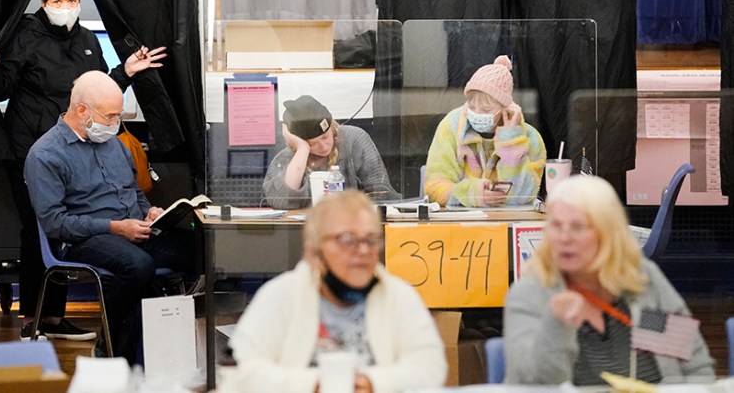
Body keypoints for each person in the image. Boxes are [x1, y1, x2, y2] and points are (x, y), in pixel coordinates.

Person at [0, 0, 166, 341]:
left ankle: (71, 319)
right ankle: (40, 317)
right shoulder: (24, 34)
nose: (65, 5)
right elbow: (2, 88)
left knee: (78, 219)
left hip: (82, 145)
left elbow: (99, 91)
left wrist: (125, 71)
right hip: (33, 147)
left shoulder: (88, 40)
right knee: (40, 228)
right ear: (44, 1)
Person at [24, 71, 195, 364]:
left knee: (201, 248)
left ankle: (173, 339)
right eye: (111, 116)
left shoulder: (114, 144)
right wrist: (115, 228)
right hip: (84, 238)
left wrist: (149, 212)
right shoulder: (45, 155)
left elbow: (135, 194)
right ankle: (113, 343)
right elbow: (55, 223)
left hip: (132, 230)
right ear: (82, 111)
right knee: (139, 266)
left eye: (118, 116)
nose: (116, 123)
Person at [503, 175, 714, 385]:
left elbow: (694, 367)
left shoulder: (640, 284)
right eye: (556, 226)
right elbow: (530, 384)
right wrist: (557, 324)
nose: (564, 238)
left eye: (577, 227)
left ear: (608, 233)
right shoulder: (533, 292)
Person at [229, 190, 447, 393]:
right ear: (314, 251)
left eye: (371, 240)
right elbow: (239, 371)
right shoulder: (280, 295)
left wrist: (372, 383)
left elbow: (431, 367)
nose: (363, 250)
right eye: (348, 240)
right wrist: (315, 385)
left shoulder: (399, 295)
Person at [423, 55, 545, 207]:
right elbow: (434, 187)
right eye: (471, 106)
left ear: (505, 108)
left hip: (508, 221)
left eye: (486, 109)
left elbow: (523, 196)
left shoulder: (529, 137)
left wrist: (511, 142)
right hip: (460, 223)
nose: (477, 113)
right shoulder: (451, 127)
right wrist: (472, 194)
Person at [263, 95, 400, 209]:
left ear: (332, 127)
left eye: (325, 137)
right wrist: (302, 150)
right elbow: (281, 202)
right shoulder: (288, 158)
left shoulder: (354, 139)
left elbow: (381, 193)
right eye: (312, 144)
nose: (323, 146)